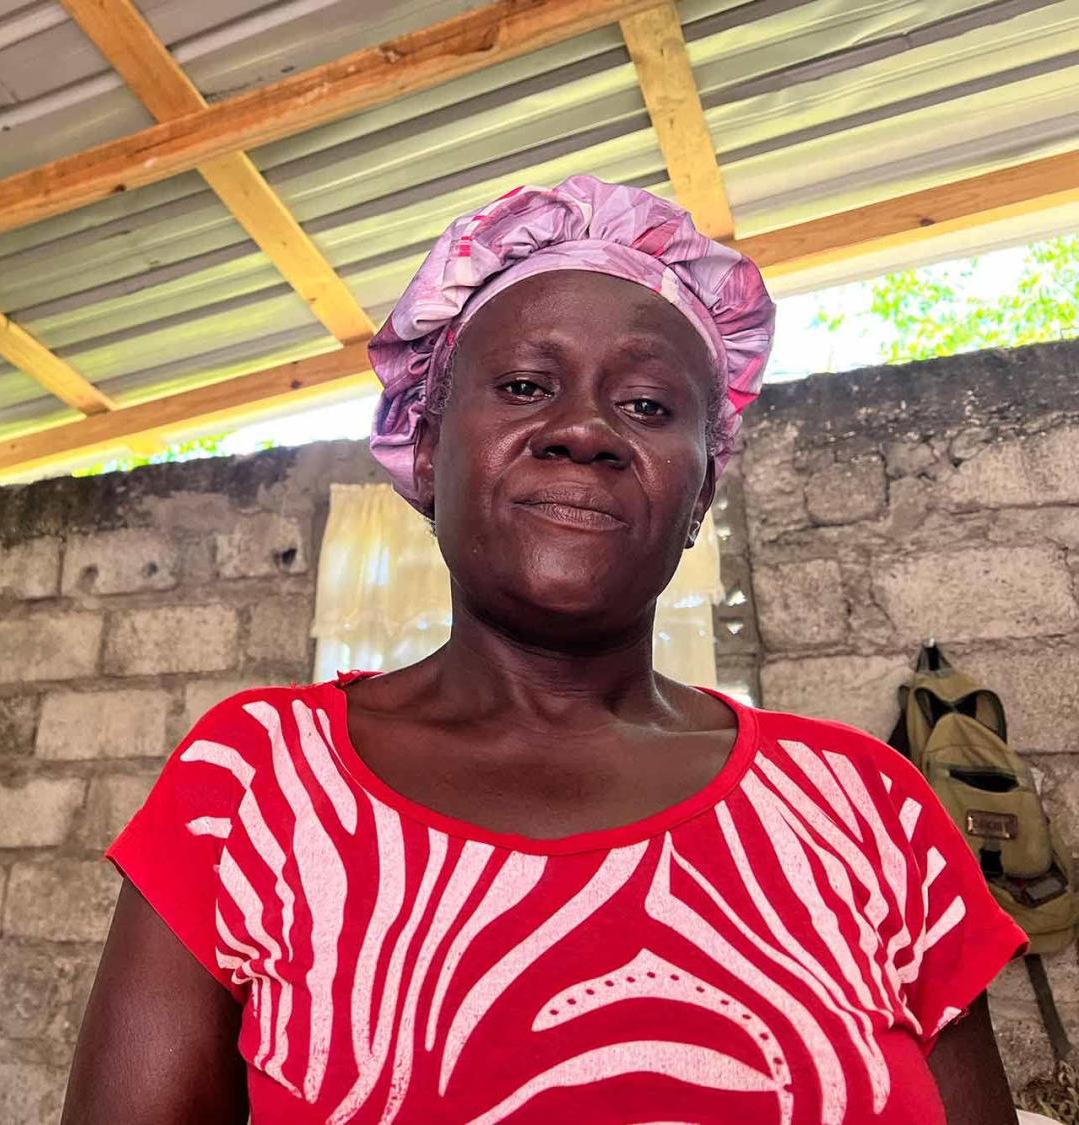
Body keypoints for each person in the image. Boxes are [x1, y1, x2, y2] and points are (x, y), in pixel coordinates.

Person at [62, 176, 1027, 1123]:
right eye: (525, 386)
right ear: (429, 449)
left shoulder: (868, 809)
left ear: (700, 495)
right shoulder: (255, 782)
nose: (583, 429)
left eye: (649, 406)